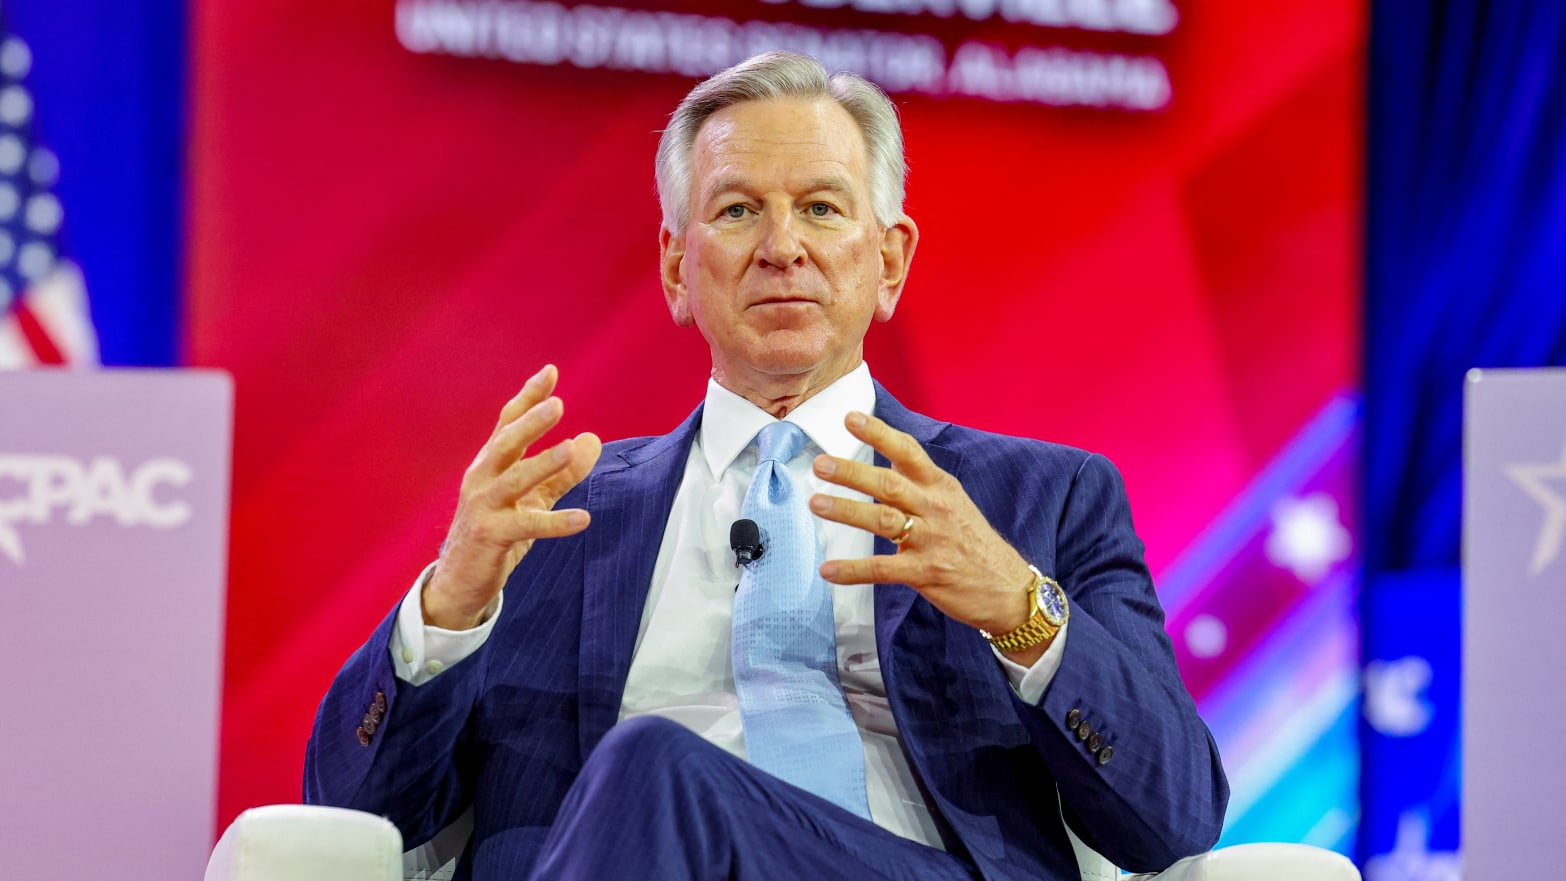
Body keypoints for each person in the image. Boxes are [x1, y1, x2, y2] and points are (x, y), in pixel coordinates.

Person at [305, 51, 1227, 881]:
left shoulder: (1041, 500)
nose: (782, 246)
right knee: (651, 771)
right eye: (739, 209)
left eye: (821, 208)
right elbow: (351, 818)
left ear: (890, 260)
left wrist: (1021, 608)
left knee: (652, 762)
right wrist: (447, 610)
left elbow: (1174, 818)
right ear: (677, 268)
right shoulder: (556, 516)